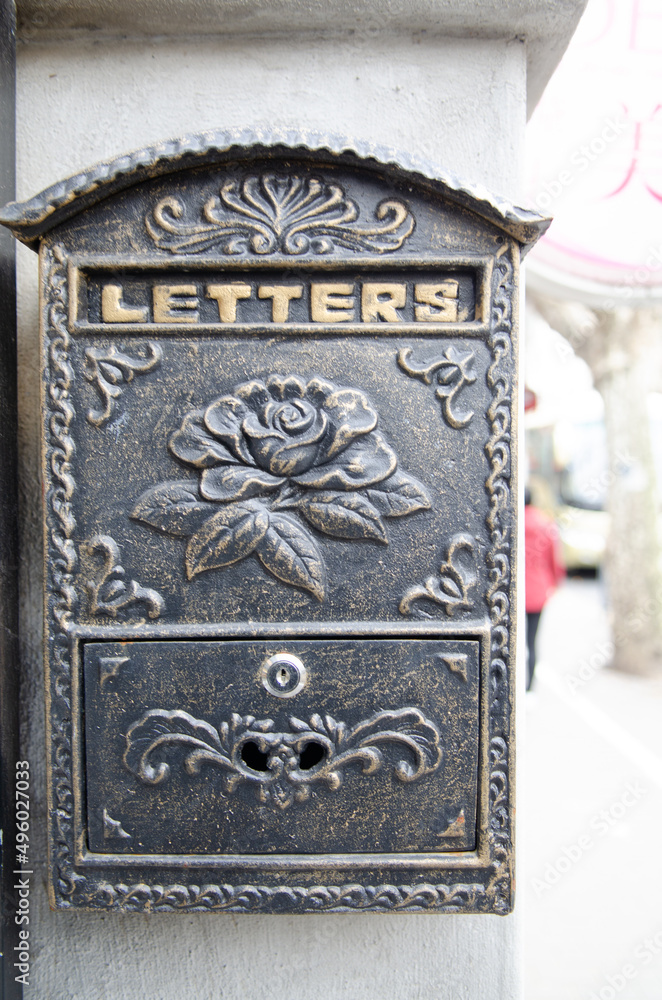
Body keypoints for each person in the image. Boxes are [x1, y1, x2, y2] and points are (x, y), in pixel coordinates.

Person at [524, 488, 565, 690]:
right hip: (537, 592)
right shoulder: (545, 523)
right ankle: (529, 688)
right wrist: (557, 582)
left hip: (510, 594)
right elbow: (553, 558)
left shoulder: (511, 522)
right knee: (531, 641)